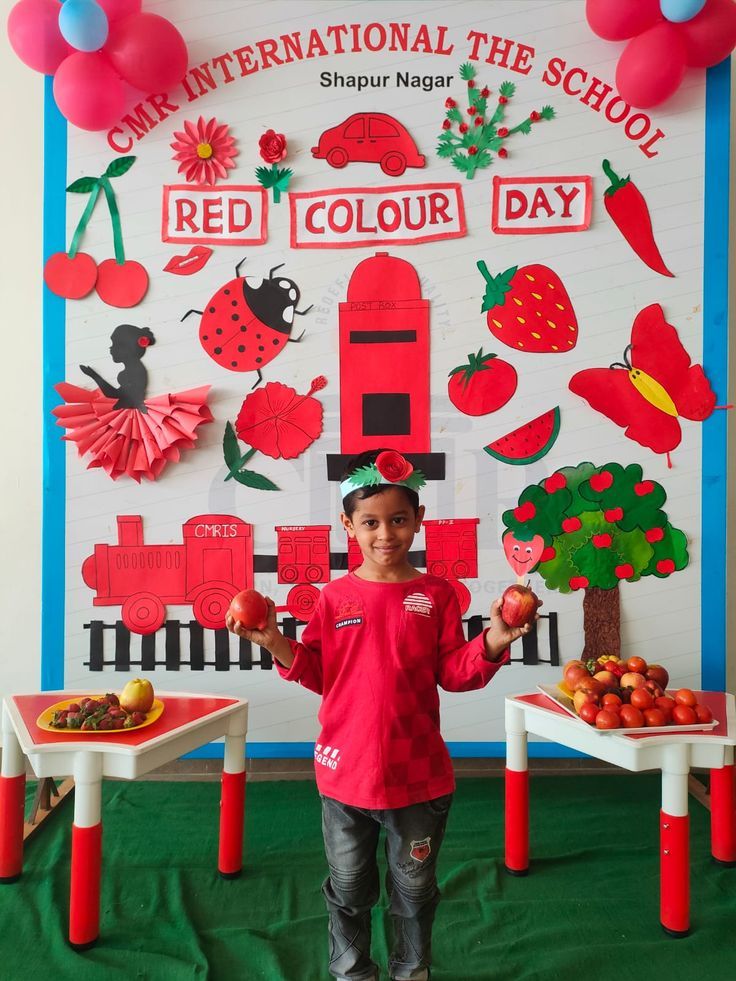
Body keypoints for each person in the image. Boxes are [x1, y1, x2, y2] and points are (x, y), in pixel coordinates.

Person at [226, 448, 536, 981]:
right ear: (348, 524)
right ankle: (352, 971)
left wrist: (493, 641)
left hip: (419, 777)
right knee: (348, 887)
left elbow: (454, 672)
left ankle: (411, 970)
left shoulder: (437, 595)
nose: (385, 534)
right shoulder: (333, 597)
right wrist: (274, 640)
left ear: (418, 520)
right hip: (344, 774)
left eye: (398, 520)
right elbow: (320, 673)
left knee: (414, 889)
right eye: (370, 522)